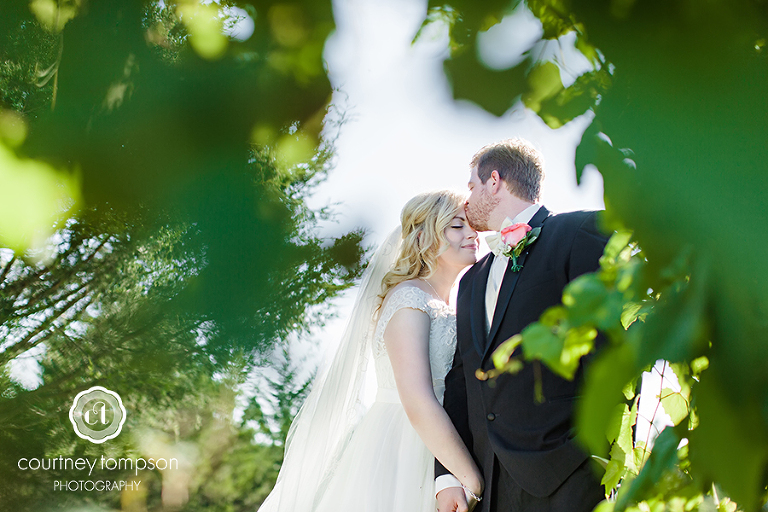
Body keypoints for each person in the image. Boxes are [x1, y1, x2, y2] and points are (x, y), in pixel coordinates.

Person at [259, 190, 484, 512]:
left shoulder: (448, 302)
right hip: (405, 446)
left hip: (443, 444)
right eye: (457, 226)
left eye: (472, 225)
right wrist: (471, 480)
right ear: (424, 238)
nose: (473, 234)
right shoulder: (410, 298)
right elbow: (417, 399)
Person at [435, 139, 609, 512]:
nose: (467, 200)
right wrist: (448, 475)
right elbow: (461, 381)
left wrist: (598, 451)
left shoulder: (580, 232)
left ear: (494, 180)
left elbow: (608, 344)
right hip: (490, 484)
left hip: (569, 474)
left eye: (472, 185)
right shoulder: (470, 281)